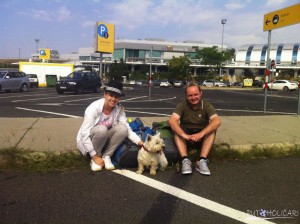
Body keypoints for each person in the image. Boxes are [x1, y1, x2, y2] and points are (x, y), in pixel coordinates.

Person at [77, 80, 144, 171]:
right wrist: (94, 155)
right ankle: (94, 158)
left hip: (104, 139)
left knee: (123, 129)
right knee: (102, 129)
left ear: (119, 98)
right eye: (111, 95)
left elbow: (127, 129)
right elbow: (84, 134)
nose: (113, 99)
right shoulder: (93, 108)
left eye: (116, 96)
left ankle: (107, 156)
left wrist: (140, 142)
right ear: (104, 94)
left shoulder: (118, 109)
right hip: (91, 141)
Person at [169, 82, 221, 176]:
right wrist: (184, 135)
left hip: (202, 137)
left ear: (201, 93)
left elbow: (217, 121)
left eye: (196, 94)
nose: (193, 98)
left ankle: (202, 161)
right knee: (176, 129)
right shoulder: (182, 105)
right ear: (186, 96)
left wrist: (201, 134)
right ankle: (185, 160)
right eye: (190, 95)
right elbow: (172, 121)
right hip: (186, 137)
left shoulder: (206, 105)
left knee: (212, 129)